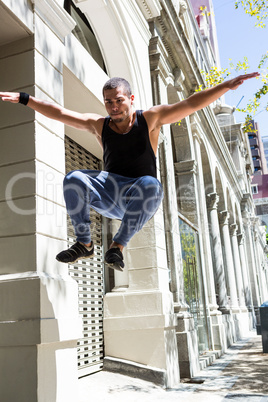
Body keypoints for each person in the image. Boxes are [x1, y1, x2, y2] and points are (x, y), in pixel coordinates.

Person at [0, 72, 259, 270]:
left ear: (131, 99)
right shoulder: (99, 125)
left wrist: (225, 86)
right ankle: (85, 244)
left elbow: (191, 104)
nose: (114, 107)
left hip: (141, 196)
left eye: (119, 101)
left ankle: (117, 247)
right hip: (111, 194)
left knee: (150, 183)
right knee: (74, 178)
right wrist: (26, 99)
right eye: (109, 102)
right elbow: (60, 113)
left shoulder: (152, 118)